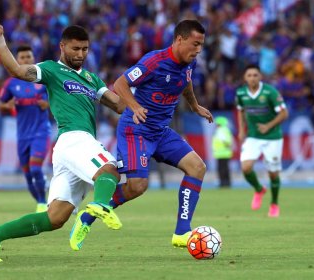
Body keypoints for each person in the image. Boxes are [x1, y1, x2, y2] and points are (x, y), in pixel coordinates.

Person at [0, 19, 125, 262]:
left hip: (71, 150)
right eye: (75, 49)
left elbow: (119, 104)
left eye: (85, 49)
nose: (80, 54)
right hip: (73, 138)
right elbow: (17, 70)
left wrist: (139, 89)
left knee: (54, 218)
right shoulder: (51, 70)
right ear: (62, 47)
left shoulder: (91, 78)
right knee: (109, 169)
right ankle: (101, 206)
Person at [74, 19, 214, 249]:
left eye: (201, 45)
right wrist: (135, 107)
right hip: (136, 130)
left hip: (160, 131)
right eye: (195, 44)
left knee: (197, 167)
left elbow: (186, 82)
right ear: (180, 39)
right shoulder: (154, 61)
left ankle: (181, 232)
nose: (198, 49)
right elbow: (120, 84)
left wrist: (194, 105)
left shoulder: (190, 62)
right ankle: (87, 217)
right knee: (137, 186)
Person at [0, 45, 51, 213]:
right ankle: (41, 200)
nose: (26, 60)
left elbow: (58, 99)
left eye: (29, 56)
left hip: (41, 132)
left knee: (35, 168)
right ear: (17, 60)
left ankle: (42, 203)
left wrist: (48, 104)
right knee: (28, 175)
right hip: (22, 135)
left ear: (33, 58)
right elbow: (0, 105)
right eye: (22, 57)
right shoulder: (11, 83)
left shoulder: (44, 80)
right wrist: (8, 105)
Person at [236, 64, 288, 218]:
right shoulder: (241, 93)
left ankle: (274, 203)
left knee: (273, 174)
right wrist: (241, 130)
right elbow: (241, 111)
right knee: (246, 168)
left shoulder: (270, 92)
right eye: (249, 75)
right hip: (253, 136)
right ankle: (259, 189)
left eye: (255, 75)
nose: (252, 78)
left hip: (273, 137)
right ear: (245, 78)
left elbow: (284, 113)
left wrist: (268, 126)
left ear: (260, 77)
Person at [212, 116, 233, 188]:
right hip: (224, 152)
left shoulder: (221, 130)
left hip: (221, 153)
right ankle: (227, 182)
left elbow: (226, 141)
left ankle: (223, 183)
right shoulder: (225, 130)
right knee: (225, 168)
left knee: (222, 169)